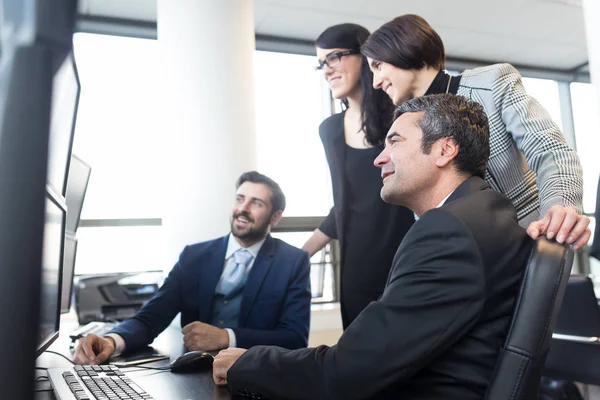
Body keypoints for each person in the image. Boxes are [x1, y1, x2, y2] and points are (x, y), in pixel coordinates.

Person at [213, 94, 533, 399]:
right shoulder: (491, 212)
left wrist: (248, 364)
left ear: (444, 149)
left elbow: (348, 374)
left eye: (394, 142)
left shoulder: (447, 232)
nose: (379, 158)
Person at [361, 14, 590, 250]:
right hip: (462, 254)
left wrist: (561, 206)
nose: (376, 82)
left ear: (404, 48)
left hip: (528, 241)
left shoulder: (492, 84)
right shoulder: (406, 125)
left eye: (378, 66)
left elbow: (550, 150)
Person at [72, 171, 311, 365]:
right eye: (240, 199)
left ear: (275, 217)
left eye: (256, 203)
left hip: (255, 376)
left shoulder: (292, 261)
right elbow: (150, 318)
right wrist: (112, 341)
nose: (243, 208)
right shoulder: (193, 256)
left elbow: (295, 339)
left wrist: (226, 337)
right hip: (194, 372)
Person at [302, 23, 415, 329]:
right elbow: (346, 203)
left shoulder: (404, 117)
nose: (327, 70)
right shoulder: (330, 130)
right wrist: (302, 254)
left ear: (365, 56)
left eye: (335, 57)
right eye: (321, 63)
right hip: (356, 270)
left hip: (406, 261)